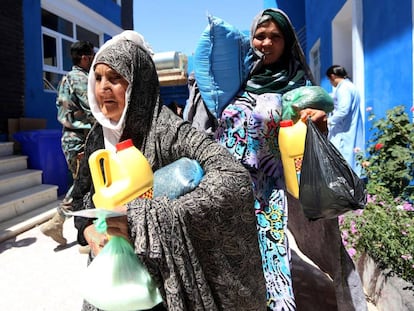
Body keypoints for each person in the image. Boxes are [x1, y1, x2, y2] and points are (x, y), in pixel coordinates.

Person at [70, 30, 267, 311]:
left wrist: (146, 221)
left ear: (138, 85)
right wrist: (89, 232)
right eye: (98, 78)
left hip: (158, 287)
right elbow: (80, 198)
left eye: (115, 78)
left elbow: (232, 177)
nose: (103, 88)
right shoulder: (96, 140)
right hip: (112, 278)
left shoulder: (170, 132)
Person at [212, 9, 367, 311]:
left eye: (275, 37)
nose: (266, 43)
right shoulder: (234, 83)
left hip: (290, 191)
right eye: (260, 36)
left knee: (300, 265)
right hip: (242, 195)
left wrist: (318, 124)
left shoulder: (299, 86)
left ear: (287, 42)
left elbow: (312, 139)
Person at [40, 41, 95, 247]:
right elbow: (93, 111)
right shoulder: (80, 79)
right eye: (91, 55)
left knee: (82, 184)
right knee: (84, 186)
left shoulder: (67, 78)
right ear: (84, 58)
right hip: (79, 140)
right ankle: (64, 225)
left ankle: (61, 224)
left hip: (73, 138)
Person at [326, 65, 365, 176]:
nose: (330, 83)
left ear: (332, 76)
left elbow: (343, 110)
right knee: (352, 159)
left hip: (343, 131)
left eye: (329, 80)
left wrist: (329, 121)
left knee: (343, 160)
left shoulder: (343, 88)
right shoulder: (351, 86)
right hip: (350, 128)